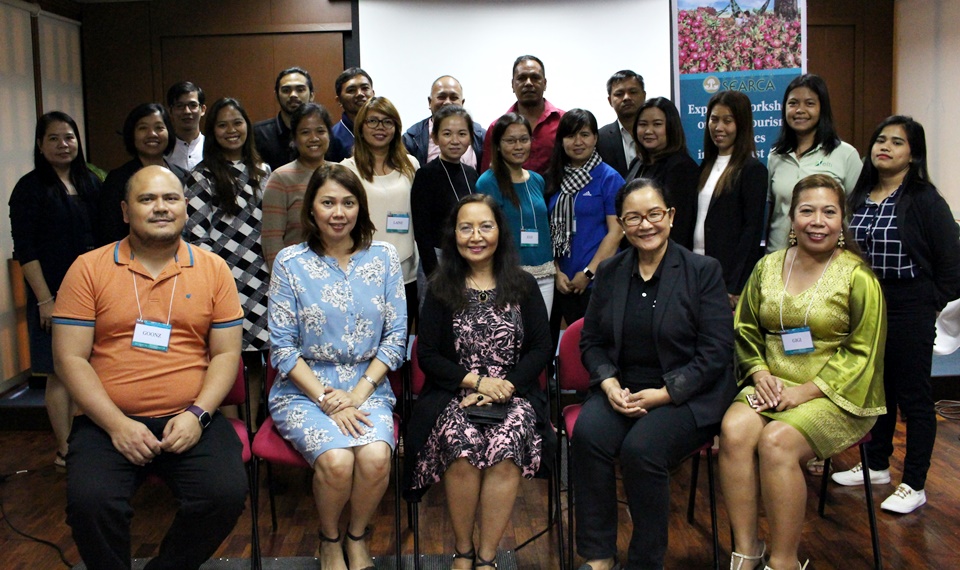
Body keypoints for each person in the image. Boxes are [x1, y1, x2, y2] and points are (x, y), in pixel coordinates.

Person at [52, 165, 248, 569]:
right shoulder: (88, 268)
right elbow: (69, 358)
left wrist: (198, 415)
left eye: (170, 198)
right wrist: (117, 425)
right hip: (107, 421)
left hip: (192, 418)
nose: (161, 207)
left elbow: (227, 355)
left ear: (185, 207)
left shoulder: (213, 269)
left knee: (224, 495)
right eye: (147, 199)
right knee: (91, 503)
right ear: (125, 211)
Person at [719, 174, 887, 570]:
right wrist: (759, 372)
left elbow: (864, 353)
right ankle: (746, 552)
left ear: (842, 218)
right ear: (790, 217)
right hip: (771, 381)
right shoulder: (767, 267)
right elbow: (744, 329)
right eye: (807, 210)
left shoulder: (858, 277)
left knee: (777, 442)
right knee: (734, 430)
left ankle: (784, 562)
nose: (817, 221)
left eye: (829, 212)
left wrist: (805, 391)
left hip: (837, 394)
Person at [573, 178, 736, 570]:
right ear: (622, 224)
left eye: (654, 215)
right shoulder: (611, 272)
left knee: (642, 449)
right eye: (633, 217)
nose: (645, 225)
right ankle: (598, 555)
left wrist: (665, 393)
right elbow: (591, 340)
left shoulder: (702, 271)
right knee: (588, 435)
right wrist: (609, 382)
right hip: (623, 387)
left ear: (671, 216)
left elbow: (716, 351)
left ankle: (645, 561)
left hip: (687, 393)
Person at [268, 164, 406, 570]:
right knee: (337, 461)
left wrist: (357, 395)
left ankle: (357, 535)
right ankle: (329, 538)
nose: (338, 212)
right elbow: (282, 348)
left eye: (348, 203)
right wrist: (329, 399)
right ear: (311, 210)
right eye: (327, 202)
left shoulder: (383, 257)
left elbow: (396, 337)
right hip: (305, 389)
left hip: (367, 385)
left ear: (360, 209)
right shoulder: (290, 263)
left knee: (377, 457)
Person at [404, 194, 553, 570]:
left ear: (499, 233)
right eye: (465, 227)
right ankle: (463, 551)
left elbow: (540, 347)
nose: (476, 236)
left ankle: (487, 558)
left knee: (507, 444)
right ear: (453, 235)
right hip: (455, 394)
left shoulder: (523, 285)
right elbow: (428, 355)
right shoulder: (441, 286)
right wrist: (477, 382)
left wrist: (505, 386)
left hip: (514, 394)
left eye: (485, 226)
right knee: (461, 444)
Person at [832, 116, 960, 513]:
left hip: (910, 304)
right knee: (877, 389)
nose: (885, 147)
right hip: (866, 302)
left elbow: (952, 265)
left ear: (912, 154)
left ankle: (915, 484)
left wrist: (928, 303)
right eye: (880, 139)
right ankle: (876, 464)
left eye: (897, 142)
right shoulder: (859, 194)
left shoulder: (924, 199)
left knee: (915, 398)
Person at [9, 111, 100, 472]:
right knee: (60, 372)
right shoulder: (29, 188)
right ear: (40, 145)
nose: (64, 145)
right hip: (52, 295)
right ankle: (65, 449)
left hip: (94, 292)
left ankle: (89, 444)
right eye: (54, 139)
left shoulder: (91, 182)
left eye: (69, 137)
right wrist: (45, 300)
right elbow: (25, 250)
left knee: (91, 370)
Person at [183, 97, 271, 418]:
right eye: (222, 125)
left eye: (237, 123)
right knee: (228, 358)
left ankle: (252, 426)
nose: (231, 130)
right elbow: (195, 237)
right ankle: (231, 434)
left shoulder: (263, 171)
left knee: (258, 358)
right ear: (212, 130)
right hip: (223, 283)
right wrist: (218, 280)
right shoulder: (200, 176)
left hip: (264, 282)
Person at [545, 109, 624, 345]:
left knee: (598, 346)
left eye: (585, 134)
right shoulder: (555, 178)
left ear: (596, 138)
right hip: (562, 281)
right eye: (570, 136)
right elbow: (550, 229)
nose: (578, 142)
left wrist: (588, 274)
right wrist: (557, 272)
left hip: (598, 281)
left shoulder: (609, 178)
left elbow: (617, 232)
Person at [341, 96, 420, 326]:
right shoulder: (347, 169)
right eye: (372, 121)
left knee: (400, 339)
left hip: (407, 271)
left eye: (387, 122)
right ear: (361, 127)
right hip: (361, 271)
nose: (380, 128)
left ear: (396, 128)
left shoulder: (411, 165)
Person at [767, 74, 862, 253]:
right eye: (793, 103)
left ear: (822, 109)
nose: (800, 110)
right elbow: (772, 211)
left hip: (829, 257)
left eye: (809, 103)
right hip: (779, 256)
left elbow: (858, 211)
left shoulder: (845, 154)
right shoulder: (776, 156)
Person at [693, 90, 768, 308]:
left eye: (728, 120)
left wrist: (735, 285)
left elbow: (751, 232)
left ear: (741, 124)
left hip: (726, 279)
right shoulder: (705, 166)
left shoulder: (752, 170)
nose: (719, 127)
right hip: (698, 268)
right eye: (714, 119)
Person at [476, 113, 554, 316]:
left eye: (524, 139)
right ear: (499, 145)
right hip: (508, 274)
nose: (518, 146)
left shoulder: (537, 180)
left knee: (539, 335)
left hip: (544, 273)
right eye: (510, 141)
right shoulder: (487, 182)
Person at [96, 103, 187, 245]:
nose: (152, 134)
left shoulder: (183, 176)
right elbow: (109, 232)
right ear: (132, 134)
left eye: (159, 128)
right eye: (143, 128)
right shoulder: (118, 179)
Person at [411, 105, 480, 279]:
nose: (455, 140)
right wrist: (433, 273)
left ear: (471, 137)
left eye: (462, 134)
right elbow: (421, 231)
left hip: (470, 256)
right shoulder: (425, 175)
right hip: (438, 261)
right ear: (435, 137)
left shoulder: (471, 174)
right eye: (447, 134)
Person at [261, 102, 333, 269]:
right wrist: (283, 281)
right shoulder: (280, 178)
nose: (314, 138)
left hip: (339, 272)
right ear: (294, 138)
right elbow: (272, 239)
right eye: (305, 132)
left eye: (320, 131)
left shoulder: (340, 174)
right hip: (297, 275)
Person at [626, 97, 699, 250]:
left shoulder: (682, 167)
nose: (648, 131)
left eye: (657, 124)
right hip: (636, 253)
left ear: (671, 127)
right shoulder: (637, 163)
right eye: (643, 124)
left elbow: (680, 227)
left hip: (666, 260)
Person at [480, 55, 564, 175]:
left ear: (545, 84)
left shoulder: (563, 122)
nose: (528, 83)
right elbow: (487, 175)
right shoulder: (496, 128)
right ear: (513, 84)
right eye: (522, 78)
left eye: (535, 78)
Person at [402, 75, 486, 169]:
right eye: (441, 97)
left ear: (462, 103)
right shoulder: (411, 139)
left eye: (454, 98)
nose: (447, 102)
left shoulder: (481, 136)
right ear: (430, 102)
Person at [254, 66, 315, 171]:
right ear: (276, 96)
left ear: (312, 95)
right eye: (286, 90)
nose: (293, 95)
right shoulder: (258, 134)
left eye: (300, 90)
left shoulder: (322, 134)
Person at [597, 70, 646, 177]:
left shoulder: (658, 134)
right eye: (619, 94)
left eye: (633, 92)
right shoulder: (600, 138)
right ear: (610, 101)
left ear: (644, 96)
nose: (626, 98)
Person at [327, 67, 374, 162]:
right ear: (339, 100)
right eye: (351, 90)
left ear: (373, 94)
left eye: (365, 88)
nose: (360, 94)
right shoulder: (332, 137)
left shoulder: (385, 129)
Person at [166, 81, 207, 171]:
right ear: (170, 111)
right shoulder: (163, 149)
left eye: (193, 105)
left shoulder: (213, 147)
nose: (187, 111)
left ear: (203, 109)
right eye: (179, 106)